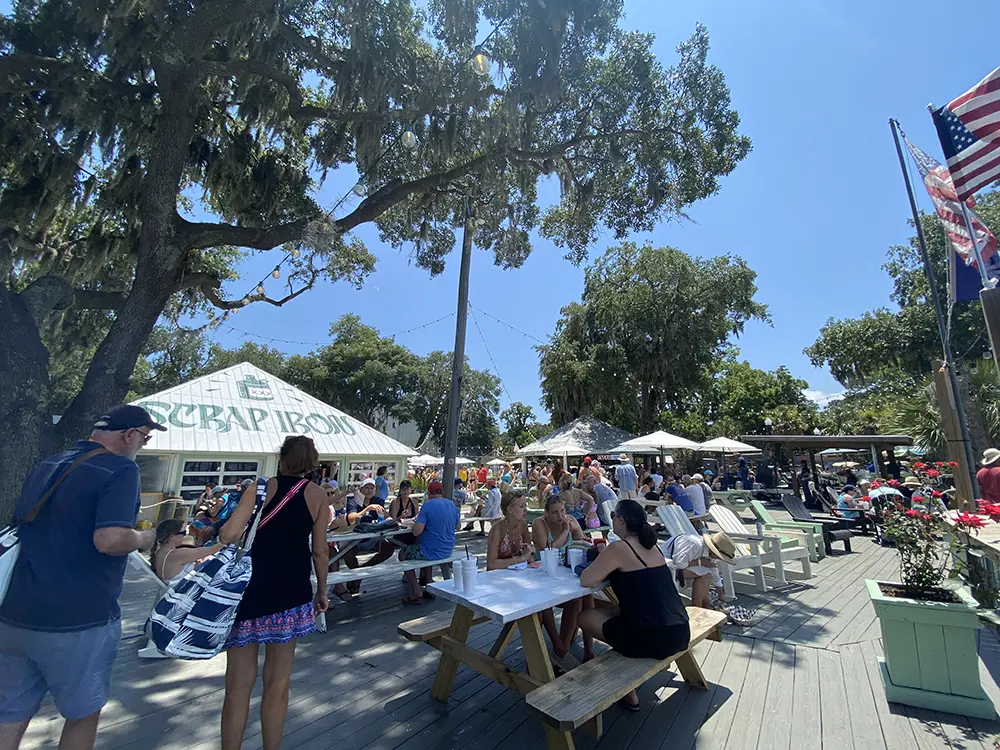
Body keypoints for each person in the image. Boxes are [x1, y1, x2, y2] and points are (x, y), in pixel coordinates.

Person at [0, 405, 163, 750]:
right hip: (79, 616)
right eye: (145, 439)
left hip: (16, 609)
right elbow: (110, 539)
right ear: (129, 435)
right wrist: (145, 538)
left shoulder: (49, 463)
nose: (143, 446)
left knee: (9, 713)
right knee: (82, 715)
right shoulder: (120, 469)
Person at [218, 435, 330, 750]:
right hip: (291, 593)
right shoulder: (319, 496)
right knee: (278, 683)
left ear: (281, 458)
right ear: (311, 464)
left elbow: (229, 534)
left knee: (237, 686)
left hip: (249, 593)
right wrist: (322, 590)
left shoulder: (259, 487)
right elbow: (320, 552)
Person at [577, 499, 691, 712]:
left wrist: (599, 559)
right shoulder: (652, 546)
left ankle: (624, 684)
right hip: (680, 629)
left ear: (620, 520)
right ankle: (625, 679)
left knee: (584, 616)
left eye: (613, 517)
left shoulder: (619, 547)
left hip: (654, 636)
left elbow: (586, 580)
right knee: (611, 611)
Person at [532, 495, 591, 670]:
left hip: (566, 576)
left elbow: (582, 544)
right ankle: (561, 649)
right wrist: (565, 531)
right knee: (562, 600)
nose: (560, 516)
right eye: (555, 512)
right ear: (547, 513)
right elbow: (547, 552)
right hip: (543, 578)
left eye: (562, 511)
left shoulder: (569, 521)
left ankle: (583, 650)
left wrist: (576, 528)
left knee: (586, 596)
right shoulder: (539, 524)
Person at [399, 481, 460, 605]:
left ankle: (416, 590)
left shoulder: (427, 505)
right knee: (424, 548)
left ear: (429, 493)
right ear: (441, 492)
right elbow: (458, 526)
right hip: (447, 550)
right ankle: (428, 581)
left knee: (403, 554)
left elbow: (416, 532)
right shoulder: (451, 505)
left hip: (430, 552)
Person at [666, 530, 737, 609]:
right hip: (667, 567)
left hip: (682, 569)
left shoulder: (709, 553)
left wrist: (721, 595)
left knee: (704, 575)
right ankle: (698, 608)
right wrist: (700, 562)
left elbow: (714, 571)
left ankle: (703, 607)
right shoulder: (694, 544)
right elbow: (679, 563)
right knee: (703, 573)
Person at [150, 519, 215, 583]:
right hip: (177, 592)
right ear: (172, 536)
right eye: (183, 533)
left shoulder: (160, 552)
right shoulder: (176, 554)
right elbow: (211, 550)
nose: (185, 535)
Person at [486, 491, 537, 570]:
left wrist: (530, 553)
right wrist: (521, 559)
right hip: (497, 575)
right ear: (510, 509)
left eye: (525, 506)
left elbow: (531, 556)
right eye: (521, 506)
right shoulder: (498, 529)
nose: (525, 510)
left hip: (517, 573)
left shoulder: (523, 525)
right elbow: (491, 564)